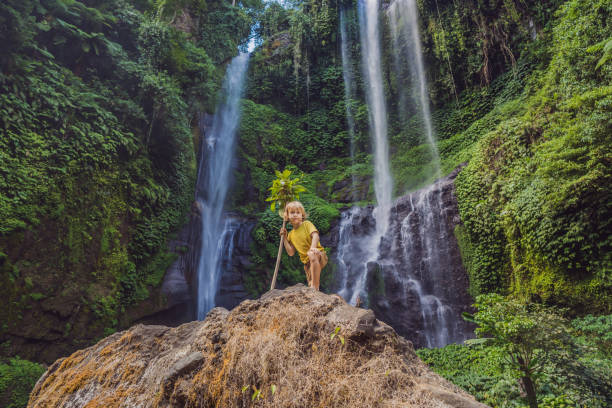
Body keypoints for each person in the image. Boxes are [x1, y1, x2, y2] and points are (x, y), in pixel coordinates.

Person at [279, 201, 328, 290]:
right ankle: (315, 289)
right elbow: (290, 252)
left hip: (318, 254)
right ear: (287, 216)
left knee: (311, 254)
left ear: (302, 215)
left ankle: (315, 287)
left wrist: (313, 248)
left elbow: (315, 235)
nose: (295, 215)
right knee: (311, 285)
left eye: (298, 213)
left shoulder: (307, 224)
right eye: (292, 212)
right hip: (307, 264)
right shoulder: (291, 234)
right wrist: (285, 238)